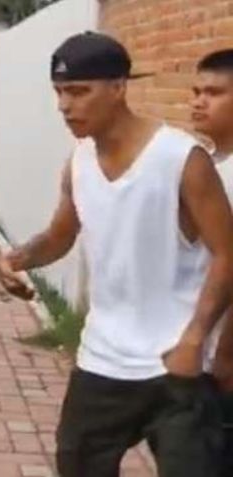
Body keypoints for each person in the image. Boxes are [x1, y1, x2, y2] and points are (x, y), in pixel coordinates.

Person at [0, 32, 233, 476]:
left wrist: (196, 338)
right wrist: (17, 259)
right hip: (101, 361)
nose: (65, 106)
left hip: (176, 367)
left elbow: (227, 254)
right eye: (60, 93)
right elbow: (59, 236)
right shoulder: (79, 162)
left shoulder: (182, 159)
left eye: (79, 91)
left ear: (119, 87)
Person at [190, 48, 233, 475]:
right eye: (196, 91)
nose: (199, 101)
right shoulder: (210, 166)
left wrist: (226, 356)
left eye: (214, 92)